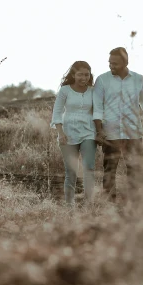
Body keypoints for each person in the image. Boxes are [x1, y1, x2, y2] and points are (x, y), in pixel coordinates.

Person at [92, 47, 143, 204]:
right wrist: (99, 131)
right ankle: (110, 205)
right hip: (110, 134)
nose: (111, 66)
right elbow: (97, 108)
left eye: (115, 63)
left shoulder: (138, 79)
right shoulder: (102, 80)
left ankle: (134, 204)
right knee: (109, 171)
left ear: (125, 62)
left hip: (133, 134)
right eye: (109, 63)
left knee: (135, 170)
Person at [50, 60, 96, 207]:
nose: (84, 78)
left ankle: (89, 204)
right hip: (68, 133)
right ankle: (69, 204)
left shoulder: (93, 91)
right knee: (71, 171)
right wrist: (60, 133)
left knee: (89, 167)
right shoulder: (65, 90)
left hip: (89, 132)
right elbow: (57, 112)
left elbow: (99, 111)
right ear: (73, 75)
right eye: (80, 74)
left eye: (87, 75)